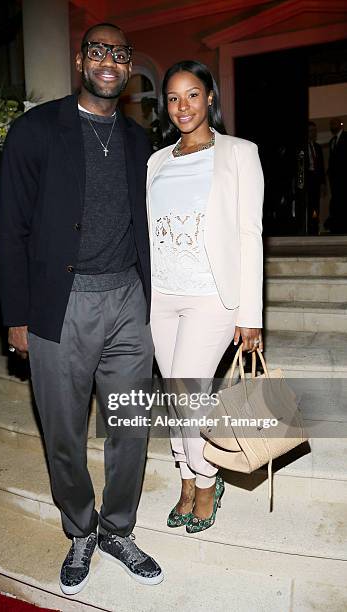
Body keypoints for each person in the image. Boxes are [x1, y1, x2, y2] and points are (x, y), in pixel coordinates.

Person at [0, 22, 163, 596]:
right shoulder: (36, 130)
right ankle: (81, 528)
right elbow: (9, 229)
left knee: (131, 425)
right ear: (79, 60)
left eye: (119, 54)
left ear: (129, 65)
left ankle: (118, 528)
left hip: (129, 302)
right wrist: (16, 314)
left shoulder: (141, 142)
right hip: (60, 303)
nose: (109, 62)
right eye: (98, 51)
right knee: (63, 430)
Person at [147, 61, 264, 533]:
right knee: (177, 394)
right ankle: (184, 475)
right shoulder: (156, 161)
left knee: (187, 392)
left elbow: (249, 233)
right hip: (161, 296)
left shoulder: (239, 153)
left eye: (192, 95)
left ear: (210, 97)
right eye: (173, 98)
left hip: (212, 295)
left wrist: (250, 313)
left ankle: (207, 478)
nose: (183, 106)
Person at [325, 117, 347, 233]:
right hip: (335, 180)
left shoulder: (346, 137)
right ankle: (337, 227)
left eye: (334, 123)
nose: (332, 125)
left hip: (344, 178)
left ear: (340, 125)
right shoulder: (332, 141)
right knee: (336, 201)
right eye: (331, 124)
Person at [307, 121, 325, 235]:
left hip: (316, 182)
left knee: (315, 206)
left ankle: (314, 228)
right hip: (306, 182)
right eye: (311, 131)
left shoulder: (318, 147)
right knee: (307, 205)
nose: (313, 133)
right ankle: (306, 228)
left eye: (315, 131)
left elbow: (321, 166)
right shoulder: (302, 147)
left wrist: (323, 183)